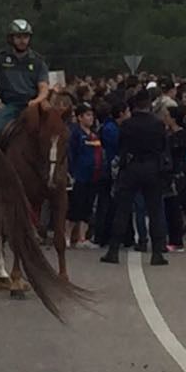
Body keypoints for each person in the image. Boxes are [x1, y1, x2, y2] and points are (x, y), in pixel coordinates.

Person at [100, 92, 168, 266]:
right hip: (153, 168)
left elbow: (122, 147)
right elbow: (163, 147)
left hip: (132, 167)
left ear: (134, 106)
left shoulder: (127, 125)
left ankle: (114, 250)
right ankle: (158, 252)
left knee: (122, 209)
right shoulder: (158, 124)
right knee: (155, 211)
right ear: (149, 105)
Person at [0, 19, 51, 142]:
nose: (22, 41)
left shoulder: (38, 61)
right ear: (11, 38)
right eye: (18, 37)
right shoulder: (0, 58)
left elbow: (44, 88)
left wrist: (37, 100)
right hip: (9, 104)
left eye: (25, 37)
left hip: (32, 105)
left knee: (56, 131)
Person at [66, 103, 110, 250]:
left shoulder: (94, 135)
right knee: (75, 208)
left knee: (87, 208)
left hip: (94, 176)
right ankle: (66, 236)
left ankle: (82, 238)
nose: (90, 118)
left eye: (91, 115)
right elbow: (71, 154)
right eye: (87, 115)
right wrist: (72, 173)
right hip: (80, 176)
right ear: (79, 117)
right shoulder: (76, 134)